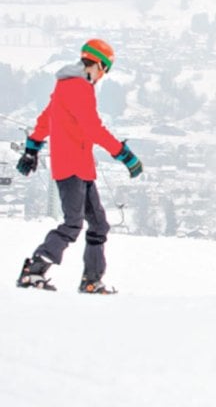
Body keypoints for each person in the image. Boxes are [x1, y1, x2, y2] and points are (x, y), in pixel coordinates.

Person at [16, 39, 143, 294]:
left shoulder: (65, 88)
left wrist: (32, 150)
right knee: (73, 224)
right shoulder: (78, 88)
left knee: (98, 225)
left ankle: (91, 280)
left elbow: (44, 121)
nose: (102, 76)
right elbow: (93, 128)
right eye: (104, 70)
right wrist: (124, 154)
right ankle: (34, 270)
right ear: (96, 64)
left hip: (81, 169)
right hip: (72, 169)